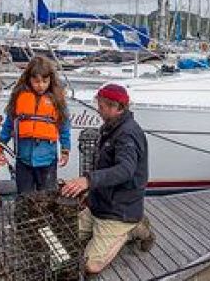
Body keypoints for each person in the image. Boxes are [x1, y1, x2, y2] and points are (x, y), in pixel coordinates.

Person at [61, 83, 155, 274]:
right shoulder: (111, 127)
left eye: (102, 105)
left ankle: (130, 228)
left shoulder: (128, 134)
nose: (98, 109)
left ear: (116, 108)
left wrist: (88, 180)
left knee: (90, 265)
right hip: (99, 206)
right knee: (65, 238)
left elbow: (125, 170)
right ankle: (120, 228)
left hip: (119, 210)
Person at [0, 56, 71, 193]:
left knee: (46, 198)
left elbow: (64, 126)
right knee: (24, 197)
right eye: (36, 81)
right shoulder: (18, 97)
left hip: (47, 160)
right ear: (29, 79)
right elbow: (9, 125)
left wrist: (65, 149)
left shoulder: (57, 100)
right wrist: (0, 146)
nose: (41, 85)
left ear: (51, 80)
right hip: (23, 159)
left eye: (45, 81)